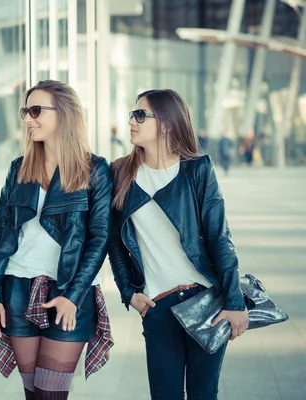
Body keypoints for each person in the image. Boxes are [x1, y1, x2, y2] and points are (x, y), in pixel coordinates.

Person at [108, 89, 249, 400]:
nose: (132, 121)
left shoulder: (197, 169)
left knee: (203, 394)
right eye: (133, 114)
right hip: (158, 306)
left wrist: (234, 302)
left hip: (205, 301)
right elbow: (114, 241)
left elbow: (218, 237)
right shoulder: (120, 172)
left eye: (140, 115)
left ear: (167, 125)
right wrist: (128, 291)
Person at [0, 80, 114, 400]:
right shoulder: (20, 168)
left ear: (65, 114)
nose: (28, 118)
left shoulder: (94, 169)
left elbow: (100, 239)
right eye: (25, 111)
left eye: (36, 110)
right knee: (33, 396)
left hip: (68, 292)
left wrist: (73, 295)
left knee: (50, 396)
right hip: (16, 288)